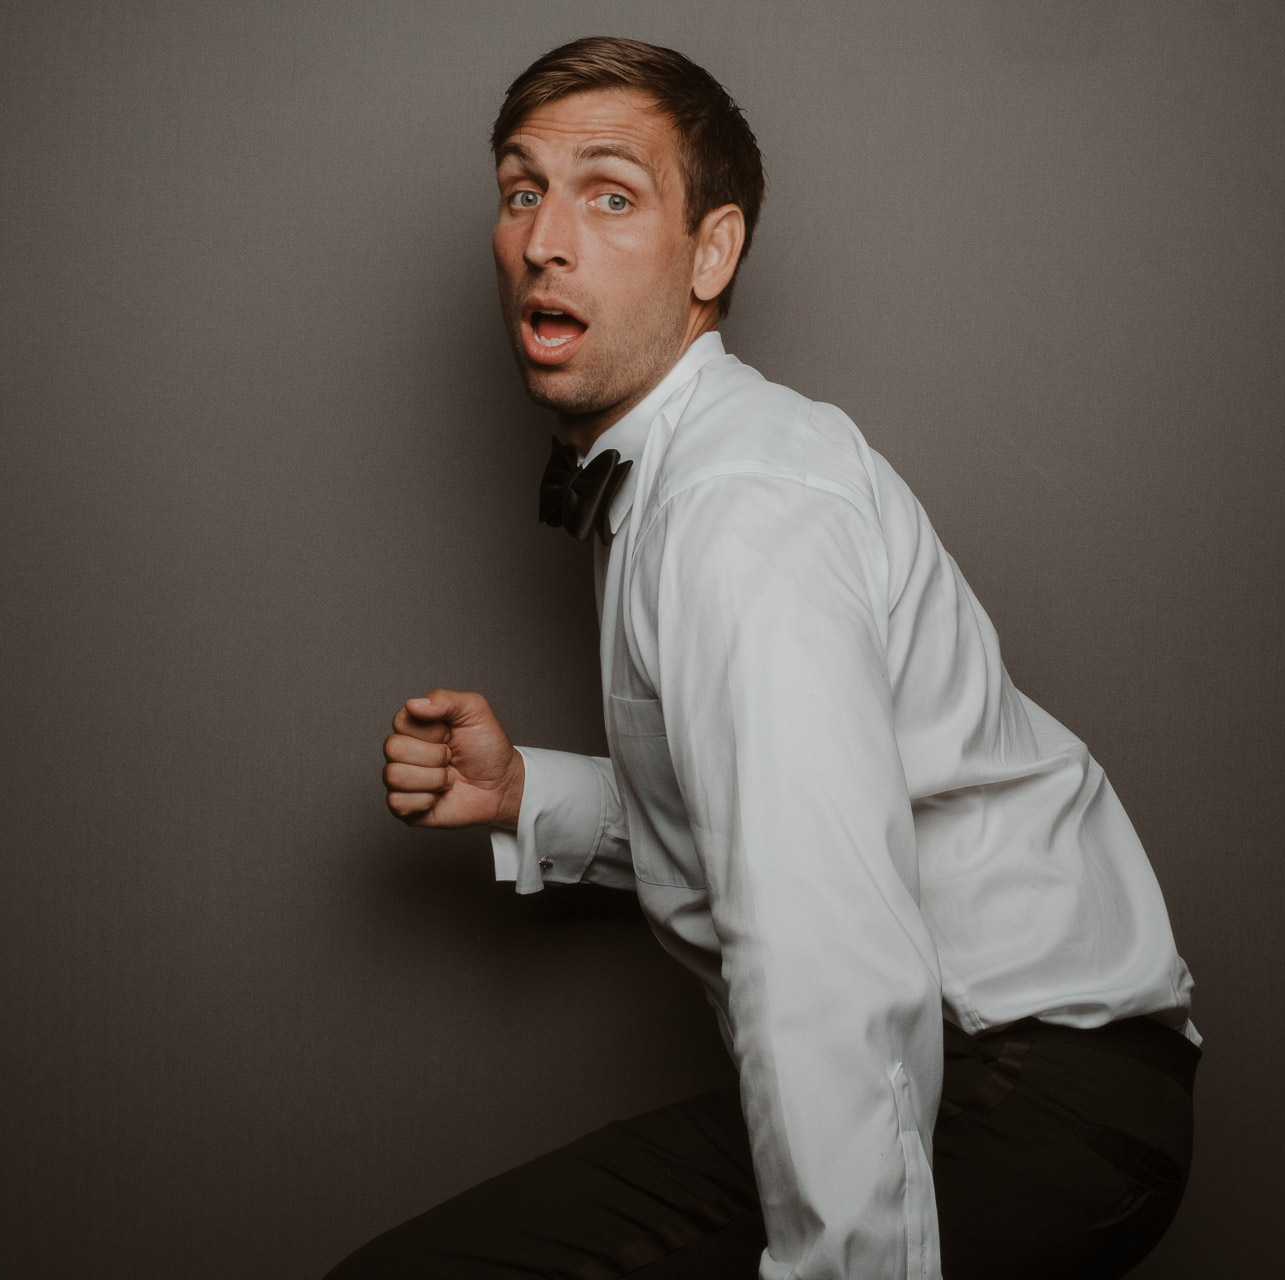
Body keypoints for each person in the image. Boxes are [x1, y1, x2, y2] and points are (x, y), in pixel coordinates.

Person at [339, 36, 1199, 1280]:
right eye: (522, 189)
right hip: (1016, 1072)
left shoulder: (741, 507)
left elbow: (826, 945)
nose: (543, 239)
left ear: (713, 251)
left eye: (609, 194)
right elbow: (766, 818)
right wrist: (534, 794)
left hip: (1022, 1087)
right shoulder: (677, 467)